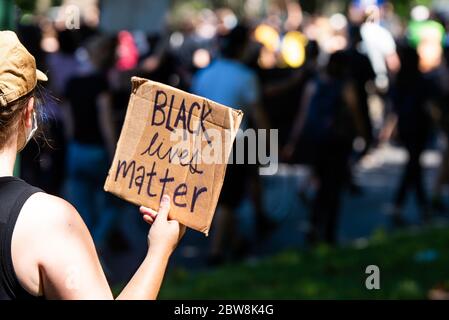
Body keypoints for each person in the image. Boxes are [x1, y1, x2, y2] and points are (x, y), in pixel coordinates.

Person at [0, 31, 185, 300]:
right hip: (95, 152)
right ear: (28, 114)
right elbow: (105, 121)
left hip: (77, 150)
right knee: (108, 206)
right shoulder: (46, 222)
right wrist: (159, 251)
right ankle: (98, 243)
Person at [192, 25, 271, 264]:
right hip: (236, 142)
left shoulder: (204, 74)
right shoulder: (246, 76)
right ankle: (215, 253)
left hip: (203, 139)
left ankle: (235, 242)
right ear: (242, 48)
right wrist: (268, 142)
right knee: (228, 198)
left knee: (218, 196)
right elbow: (258, 114)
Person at [285, 51, 365, 245]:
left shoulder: (314, 84)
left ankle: (314, 225)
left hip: (316, 140)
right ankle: (329, 233)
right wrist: (362, 134)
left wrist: (292, 142)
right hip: (337, 141)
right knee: (333, 188)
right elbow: (355, 112)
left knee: (321, 184)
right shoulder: (345, 85)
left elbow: (302, 116)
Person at [390, 46, 433, 226]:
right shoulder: (421, 80)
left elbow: (394, 106)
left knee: (414, 166)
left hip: (407, 127)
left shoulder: (400, 80)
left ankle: (420, 206)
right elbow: (431, 105)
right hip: (419, 127)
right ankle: (412, 206)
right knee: (413, 166)